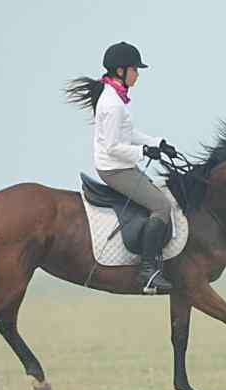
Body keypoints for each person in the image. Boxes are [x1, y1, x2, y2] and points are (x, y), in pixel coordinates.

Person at [66, 41, 177, 293]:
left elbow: (128, 133)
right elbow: (113, 147)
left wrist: (157, 142)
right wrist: (144, 152)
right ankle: (148, 272)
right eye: (134, 69)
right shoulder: (112, 104)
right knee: (161, 206)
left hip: (121, 164)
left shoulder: (115, 96)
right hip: (115, 169)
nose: (137, 74)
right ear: (120, 71)